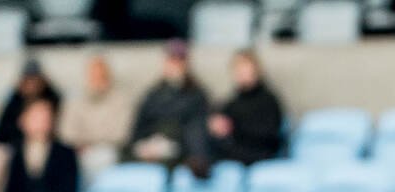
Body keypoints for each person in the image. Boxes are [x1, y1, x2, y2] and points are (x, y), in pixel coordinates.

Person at [127, 40, 210, 172]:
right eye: (172, 60)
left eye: (179, 60)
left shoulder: (197, 95)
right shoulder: (153, 94)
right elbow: (138, 128)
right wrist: (145, 146)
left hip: (180, 152)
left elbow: (197, 132)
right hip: (151, 147)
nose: (175, 65)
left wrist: (172, 146)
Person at [1, 99, 80, 192]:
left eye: (46, 117)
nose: (42, 121)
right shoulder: (13, 152)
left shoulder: (65, 153)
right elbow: (10, 191)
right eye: (36, 117)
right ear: (23, 120)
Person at [60, 54, 134, 182]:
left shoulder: (121, 100)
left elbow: (121, 133)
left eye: (101, 75)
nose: (97, 79)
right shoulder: (75, 100)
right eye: (94, 75)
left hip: (108, 151)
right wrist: (82, 143)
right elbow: (66, 132)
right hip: (80, 151)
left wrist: (89, 141)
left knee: (105, 157)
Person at [209, 50, 286, 166]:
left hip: (261, 154)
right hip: (235, 154)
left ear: (256, 71)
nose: (242, 73)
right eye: (238, 69)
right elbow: (218, 119)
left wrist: (234, 127)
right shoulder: (232, 102)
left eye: (245, 68)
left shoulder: (268, 100)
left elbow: (269, 135)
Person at [0, 59, 62, 150]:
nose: (31, 84)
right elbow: (2, 134)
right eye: (28, 80)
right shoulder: (13, 103)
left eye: (34, 80)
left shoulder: (53, 99)